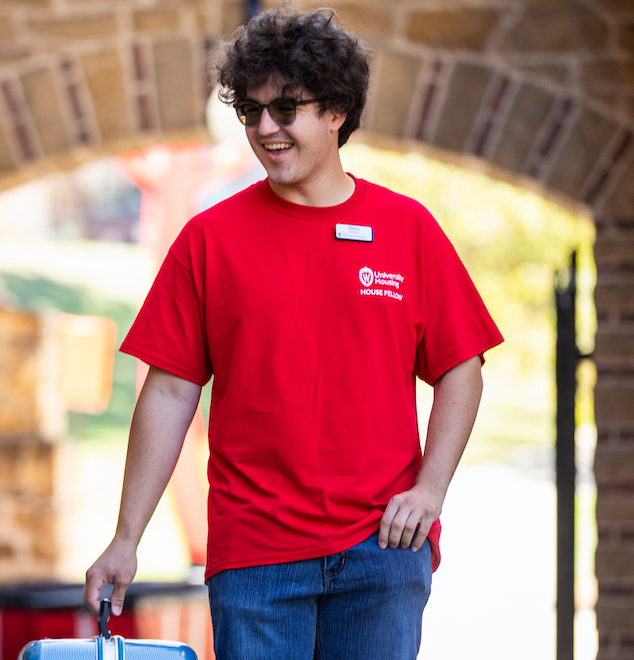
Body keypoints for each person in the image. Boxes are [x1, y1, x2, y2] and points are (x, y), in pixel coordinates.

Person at [84, 7, 503, 659]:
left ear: (336, 110)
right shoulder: (208, 239)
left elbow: (462, 366)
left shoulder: (407, 229)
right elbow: (168, 393)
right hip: (255, 559)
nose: (265, 130)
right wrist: (126, 536)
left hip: (382, 554)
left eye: (286, 109)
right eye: (251, 113)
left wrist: (430, 488)